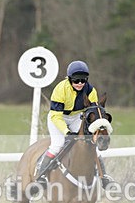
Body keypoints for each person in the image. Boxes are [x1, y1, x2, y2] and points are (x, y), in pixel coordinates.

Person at [34, 60, 113, 188]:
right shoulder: (60, 89)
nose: (80, 83)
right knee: (58, 145)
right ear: (69, 79)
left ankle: (104, 176)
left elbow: (93, 111)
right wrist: (67, 132)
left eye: (83, 80)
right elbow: (56, 116)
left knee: (91, 144)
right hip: (58, 117)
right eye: (76, 80)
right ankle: (41, 175)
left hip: (77, 117)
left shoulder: (90, 90)